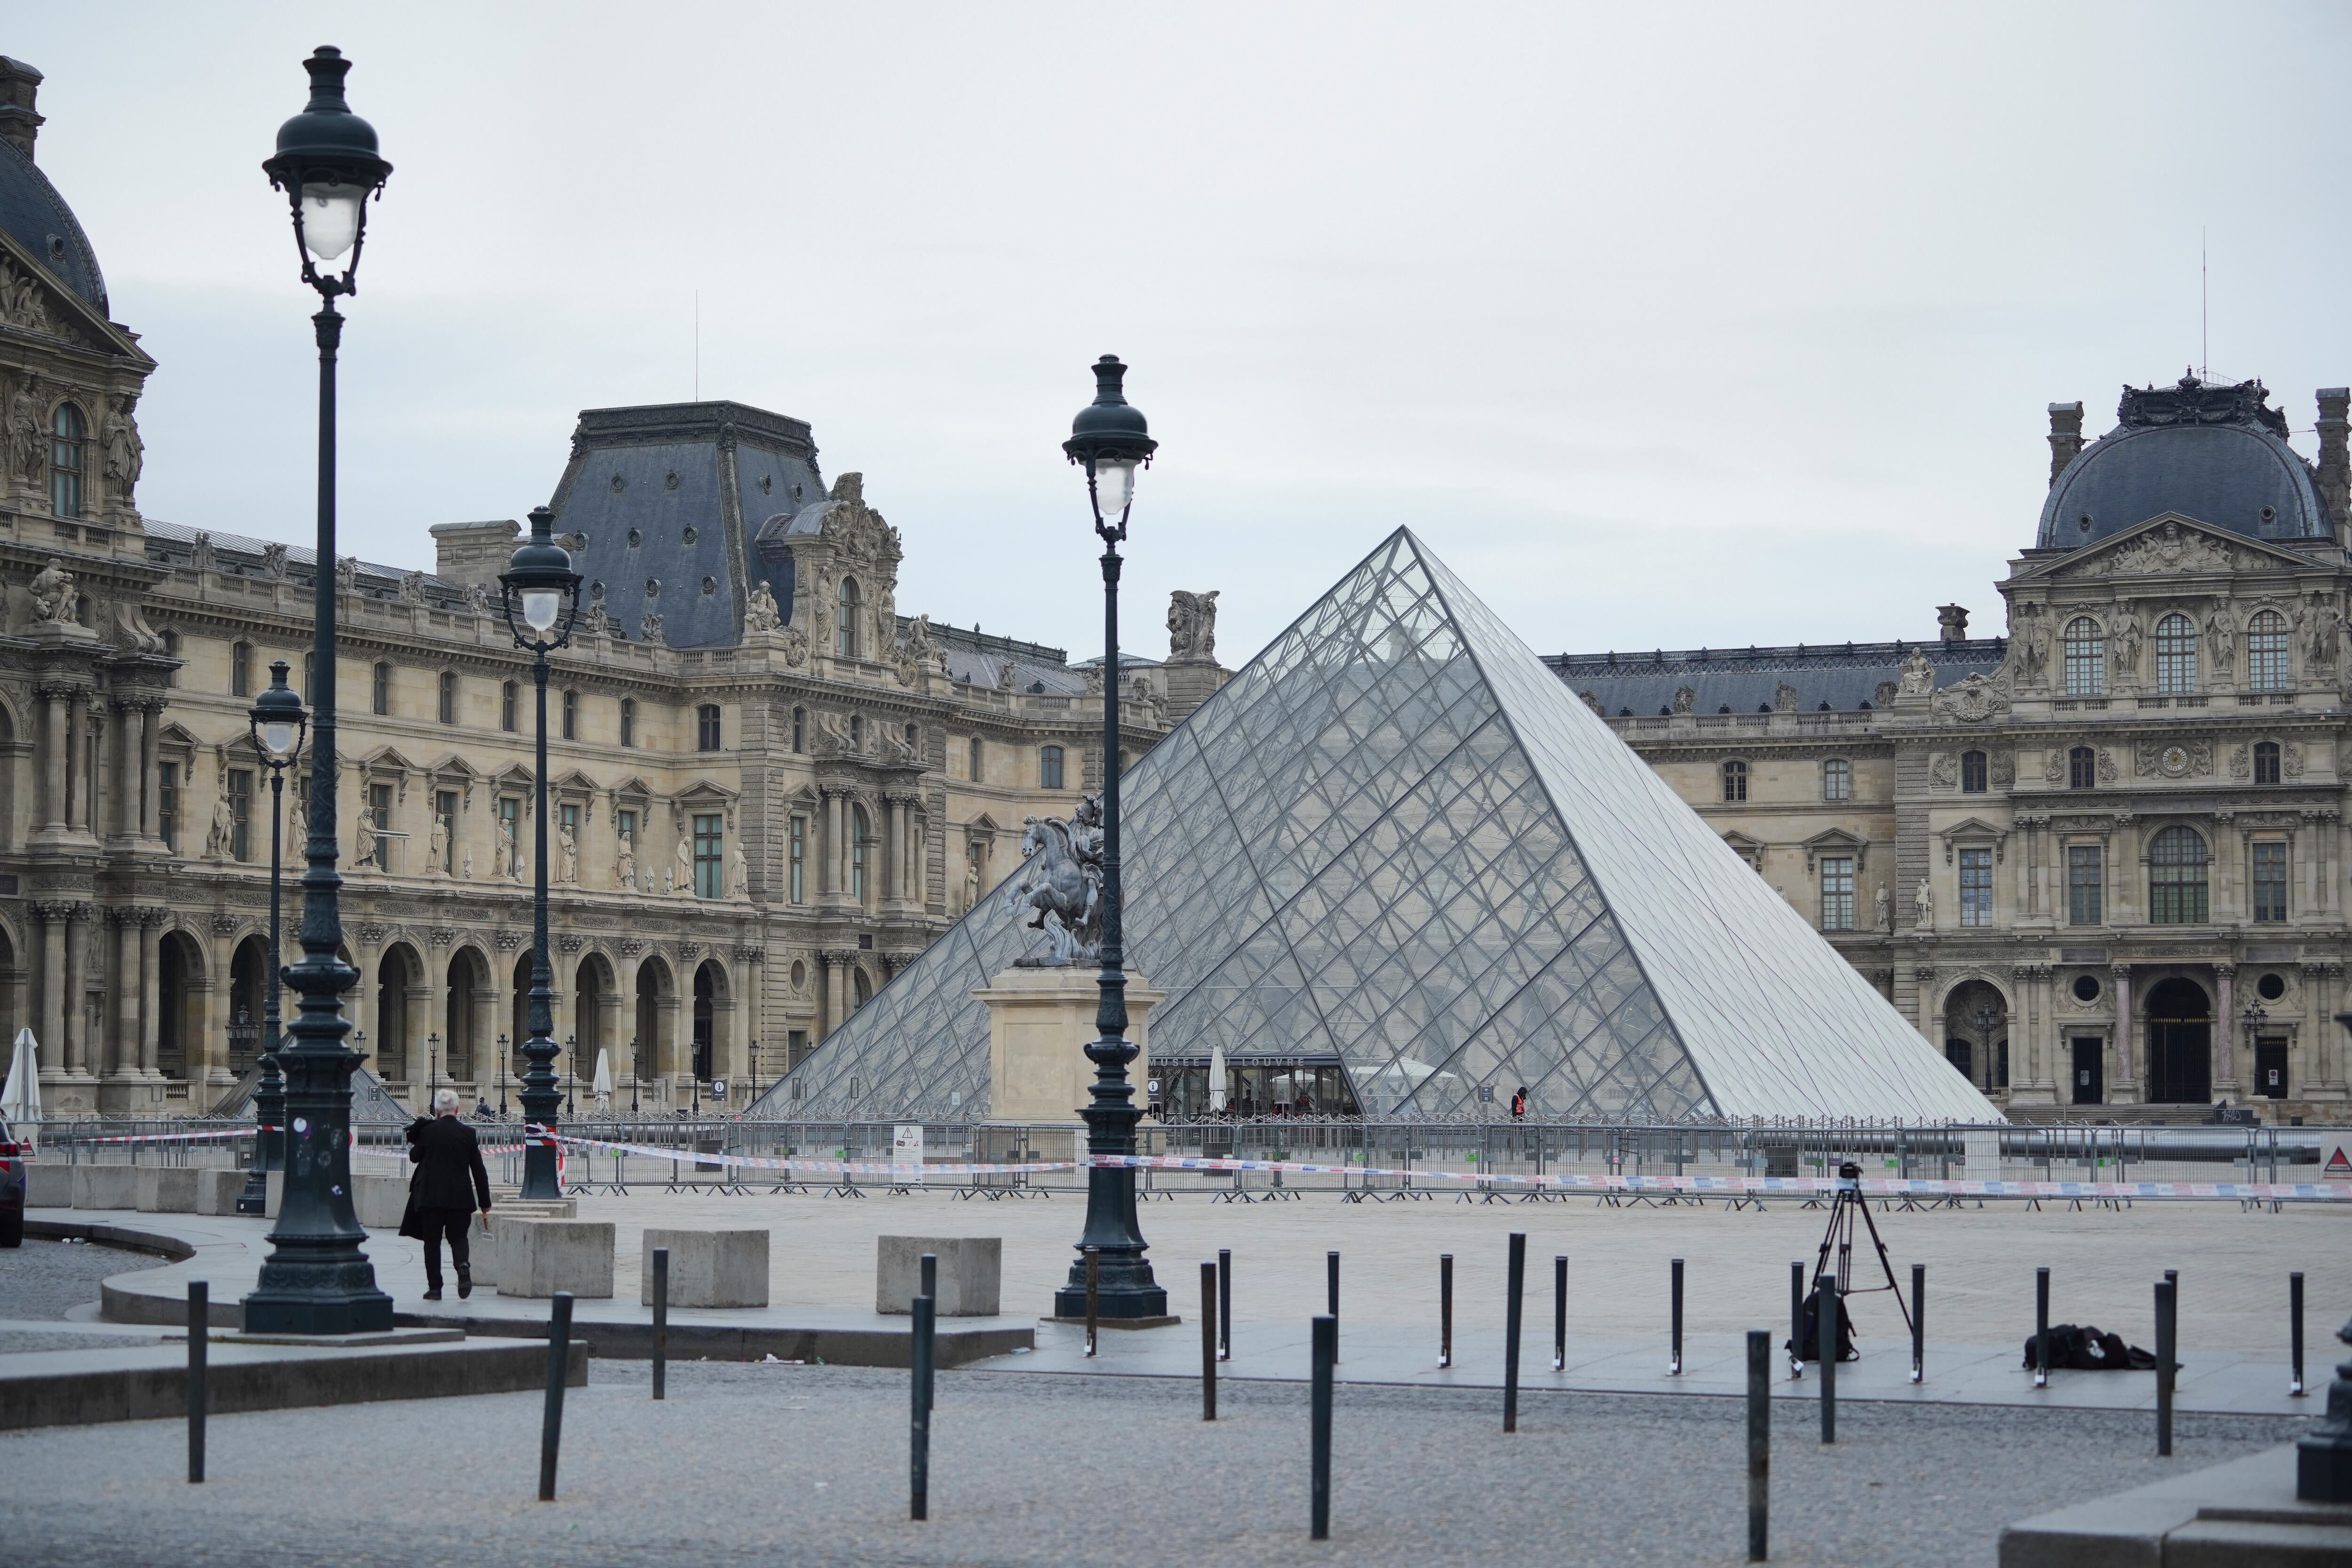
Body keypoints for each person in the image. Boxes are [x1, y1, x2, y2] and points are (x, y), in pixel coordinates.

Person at [403, 1088, 493, 1300]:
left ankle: (435, 1289)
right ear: (458, 1109)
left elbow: (414, 1157)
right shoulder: (468, 1134)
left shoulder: (429, 1131)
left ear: (437, 1110)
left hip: (431, 1197)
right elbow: (478, 1170)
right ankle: (462, 1265)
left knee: (432, 1242)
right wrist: (485, 1202)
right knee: (459, 1238)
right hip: (460, 1197)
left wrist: (424, 1128)